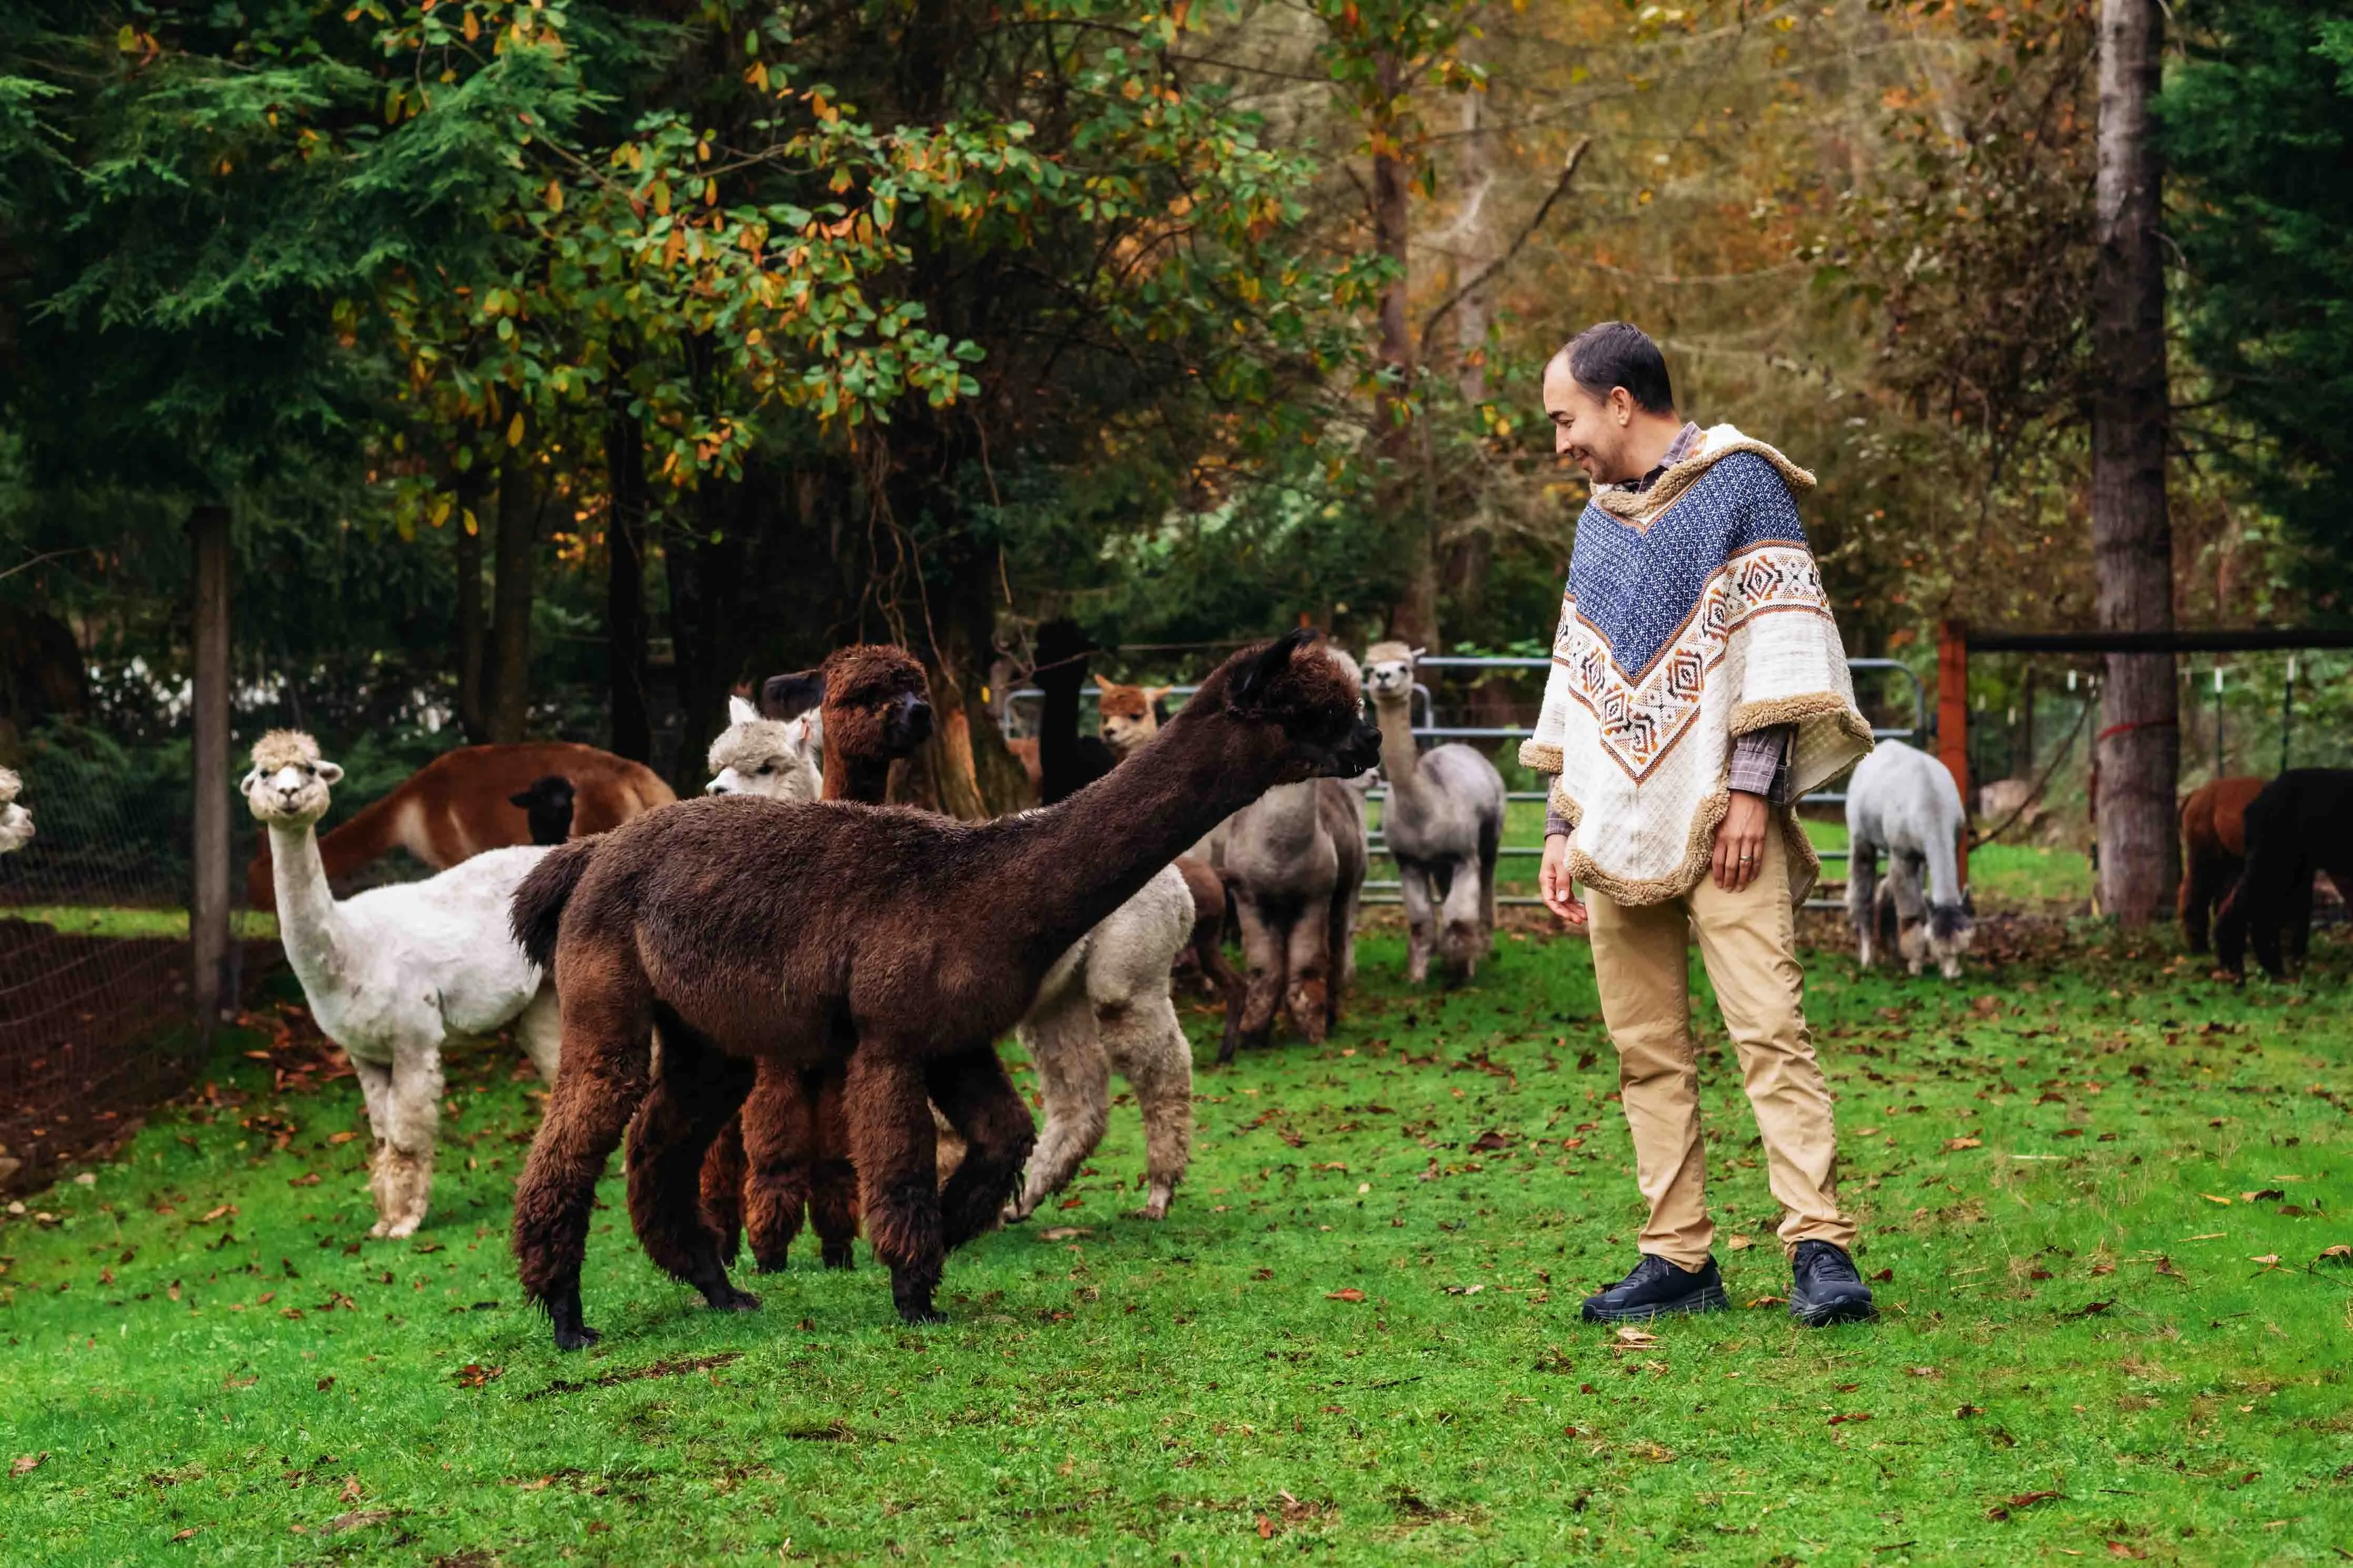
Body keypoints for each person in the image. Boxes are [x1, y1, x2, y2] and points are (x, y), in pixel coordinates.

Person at [1526, 322, 1878, 1327]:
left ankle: (1819, 1246)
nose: (1562, 444)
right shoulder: (1600, 521)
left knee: (1771, 1030)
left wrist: (1754, 794)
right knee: (1646, 1047)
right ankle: (1679, 1257)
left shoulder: (1742, 486)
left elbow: (1777, 642)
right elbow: (1580, 677)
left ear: (1620, 403)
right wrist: (1561, 823)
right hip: (1617, 826)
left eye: (1566, 419)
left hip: (1728, 818)